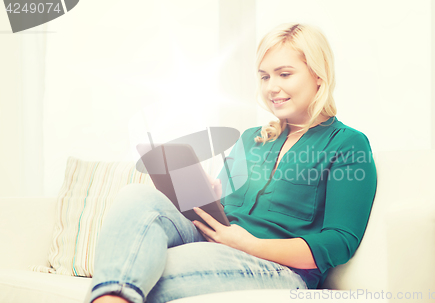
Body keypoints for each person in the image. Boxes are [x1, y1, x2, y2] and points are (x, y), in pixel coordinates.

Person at [85, 22, 377, 303]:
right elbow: (224, 212)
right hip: (214, 240)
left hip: (276, 268)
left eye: (284, 74)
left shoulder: (348, 144)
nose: (272, 87)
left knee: (145, 269)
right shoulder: (252, 139)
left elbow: (340, 243)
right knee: (136, 196)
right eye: (264, 77)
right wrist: (213, 197)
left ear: (318, 75)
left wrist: (249, 244)